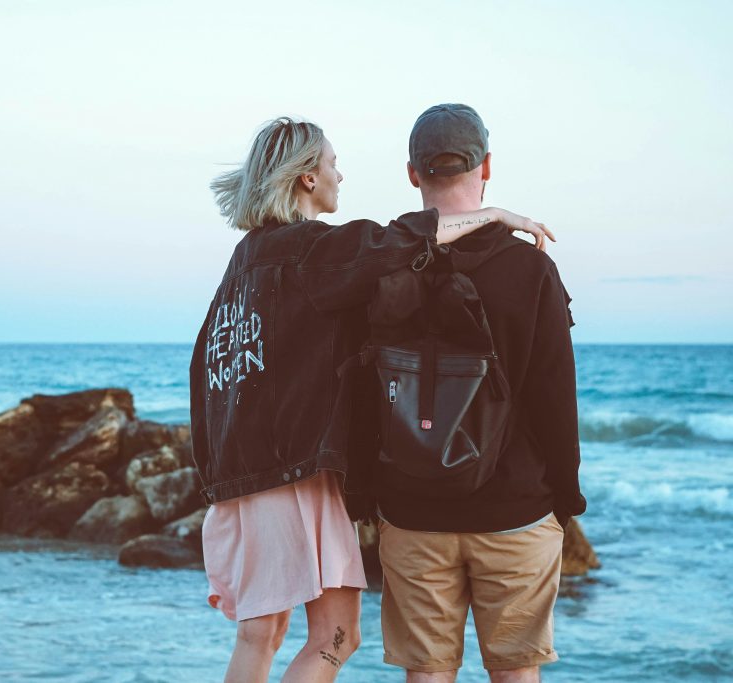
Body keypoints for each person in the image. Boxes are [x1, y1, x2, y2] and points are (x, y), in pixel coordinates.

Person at [188, 116, 552, 683]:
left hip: (238, 484)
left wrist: (212, 478)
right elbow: (400, 241)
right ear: (307, 177)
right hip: (293, 477)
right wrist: (497, 216)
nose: (340, 173)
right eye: (332, 164)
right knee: (337, 637)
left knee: (259, 636)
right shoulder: (311, 251)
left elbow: (205, 375)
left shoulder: (243, 263)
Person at [373, 104, 586, 682]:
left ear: (413, 173)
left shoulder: (381, 263)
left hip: (411, 511)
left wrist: (366, 497)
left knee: (427, 673)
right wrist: (564, 498)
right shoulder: (531, 269)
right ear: (486, 165)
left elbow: (359, 393)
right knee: (516, 674)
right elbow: (553, 398)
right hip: (514, 510)